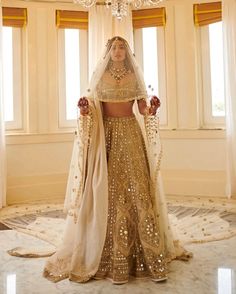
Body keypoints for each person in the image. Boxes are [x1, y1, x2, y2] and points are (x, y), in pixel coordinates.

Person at [43, 36, 191, 284]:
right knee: (110, 191)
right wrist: (83, 109)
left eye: (123, 47)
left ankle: (147, 257)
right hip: (107, 139)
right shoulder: (99, 78)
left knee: (137, 190)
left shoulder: (135, 77)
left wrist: (152, 109)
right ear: (108, 52)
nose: (119, 51)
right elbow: (91, 107)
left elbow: (143, 109)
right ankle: (107, 257)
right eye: (115, 47)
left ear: (128, 52)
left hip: (131, 136)